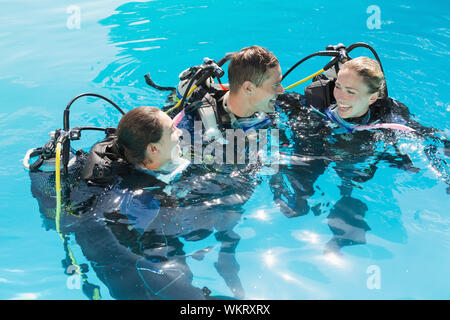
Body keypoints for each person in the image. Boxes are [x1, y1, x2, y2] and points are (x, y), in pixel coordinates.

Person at [271, 56, 449, 253]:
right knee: (295, 205)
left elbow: (432, 137)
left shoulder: (388, 114)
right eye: (338, 86)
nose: (340, 97)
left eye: (351, 92)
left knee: (356, 180)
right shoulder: (317, 104)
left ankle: (345, 221)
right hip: (316, 151)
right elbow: (270, 101)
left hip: (356, 157)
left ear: (372, 98)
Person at [175, 45, 284, 139]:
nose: (282, 91)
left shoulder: (275, 104)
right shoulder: (194, 125)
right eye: (275, 85)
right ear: (249, 88)